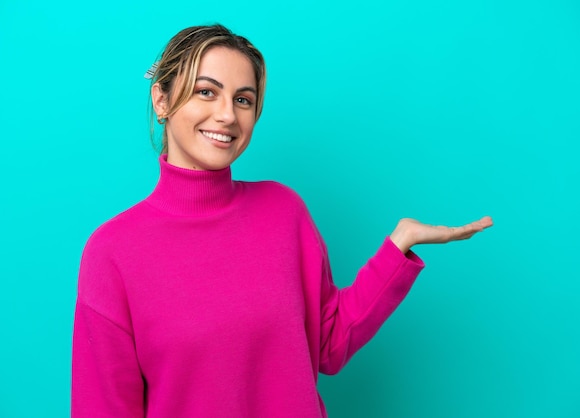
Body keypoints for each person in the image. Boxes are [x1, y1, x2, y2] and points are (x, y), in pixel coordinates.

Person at [71, 24, 492, 417]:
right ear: (161, 100)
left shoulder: (283, 211)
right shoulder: (112, 252)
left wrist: (398, 247)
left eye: (243, 99)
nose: (226, 116)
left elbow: (327, 345)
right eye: (206, 92)